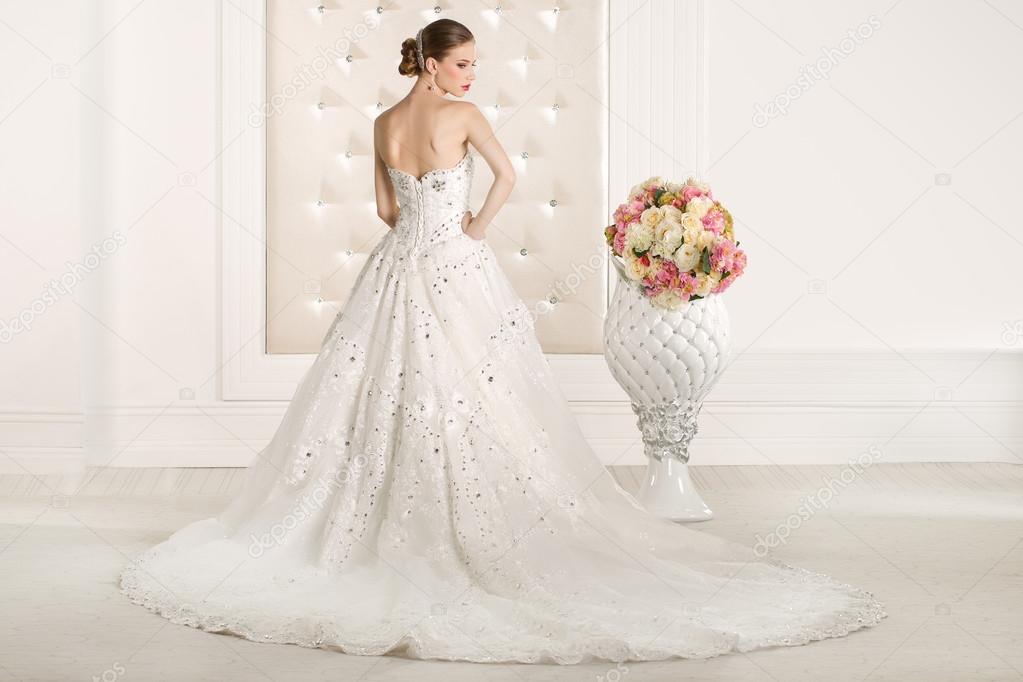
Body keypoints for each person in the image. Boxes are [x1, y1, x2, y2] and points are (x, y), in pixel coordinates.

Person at [119, 18, 886, 664]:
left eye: (474, 65)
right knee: (481, 396)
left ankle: (367, 520)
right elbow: (507, 179)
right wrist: (474, 229)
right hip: (458, 266)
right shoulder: (462, 118)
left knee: (376, 392)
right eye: (462, 64)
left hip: (396, 268)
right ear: (430, 63)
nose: (472, 76)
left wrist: (427, 223)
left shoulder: (384, 123)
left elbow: (387, 211)